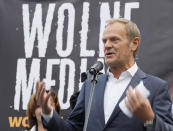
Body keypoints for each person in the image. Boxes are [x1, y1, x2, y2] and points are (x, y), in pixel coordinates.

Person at [35, 18, 173, 131]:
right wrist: (48, 112)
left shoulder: (156, 87)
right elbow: (72, 128)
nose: (107, 45)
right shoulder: (91, 85)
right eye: (104, 41)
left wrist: (149, 120)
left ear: (134, 44)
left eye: (114, 39)